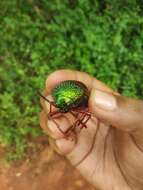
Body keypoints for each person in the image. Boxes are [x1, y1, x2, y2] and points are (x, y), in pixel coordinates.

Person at [40, 69, 143, 190]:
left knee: (75, 115)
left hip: (75, 95)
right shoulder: (60, 101)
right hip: (67, 94)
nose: (62, 111)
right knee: (57, 115)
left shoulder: (76, 104)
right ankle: (67, 126)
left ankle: (68, 126)